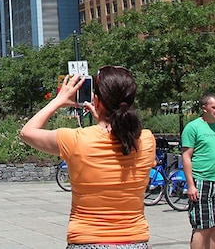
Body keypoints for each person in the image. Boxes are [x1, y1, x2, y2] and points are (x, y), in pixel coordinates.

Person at [20, 67, 155, 249]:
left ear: (96, 101)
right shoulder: (146, 140)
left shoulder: (77, 140)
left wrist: (59, 101)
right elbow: (120, 134)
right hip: (134, 240)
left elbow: (27, 132)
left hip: (87, 240)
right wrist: (103, 118)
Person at [182, 92, 215, 249]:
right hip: (201, 180)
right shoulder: (193, 127)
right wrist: (190, 184)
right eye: (214, 107)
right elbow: (186, 157)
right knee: (201, 226)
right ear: (204, 108)